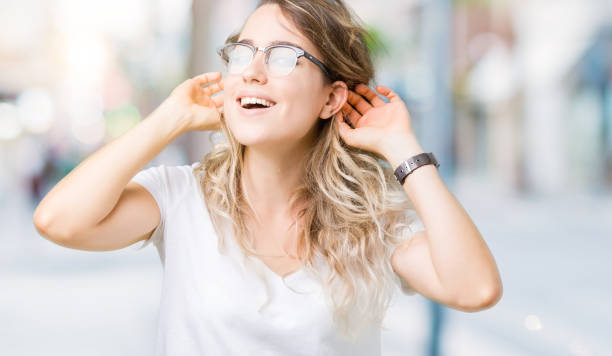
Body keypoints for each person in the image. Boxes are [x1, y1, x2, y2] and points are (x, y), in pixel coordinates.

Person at [33, 0, 503, 355]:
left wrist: (403, 149)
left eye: (282, 57)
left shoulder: (369, 223)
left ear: (332, 98)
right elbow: (58, 221)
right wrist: (168, 119)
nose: (253, 72)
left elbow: (475, 289)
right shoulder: (181, 196)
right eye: (242, 54)